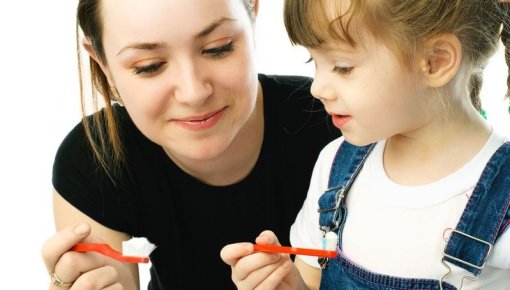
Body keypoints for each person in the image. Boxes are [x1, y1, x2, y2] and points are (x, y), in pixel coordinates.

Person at [40, 0, 340, 289]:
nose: (193, 92)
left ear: (253, 13)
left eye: (217, 48)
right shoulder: (95, 159)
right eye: (149, 66)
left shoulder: (340, 125)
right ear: (102, 62)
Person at [221, 0, 510, 289]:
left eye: (343, 67)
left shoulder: (503, 199)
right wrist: (285, 284)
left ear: (436, 61)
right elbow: (311, 281)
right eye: (314, 62)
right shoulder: (335, 167)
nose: (317, 88)